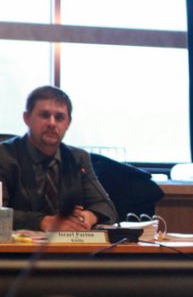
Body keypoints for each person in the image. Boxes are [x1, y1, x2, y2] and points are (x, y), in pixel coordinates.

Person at [0, 85, 118, 231]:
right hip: (14, 251)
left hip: (67, 250)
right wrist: (43, 222)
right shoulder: (4, 156)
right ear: (27, 118)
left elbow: (106, 206)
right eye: (44, 115)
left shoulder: (78, 158)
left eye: (59, 117)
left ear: (68, 123)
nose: (52, 123)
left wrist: (87, 216)